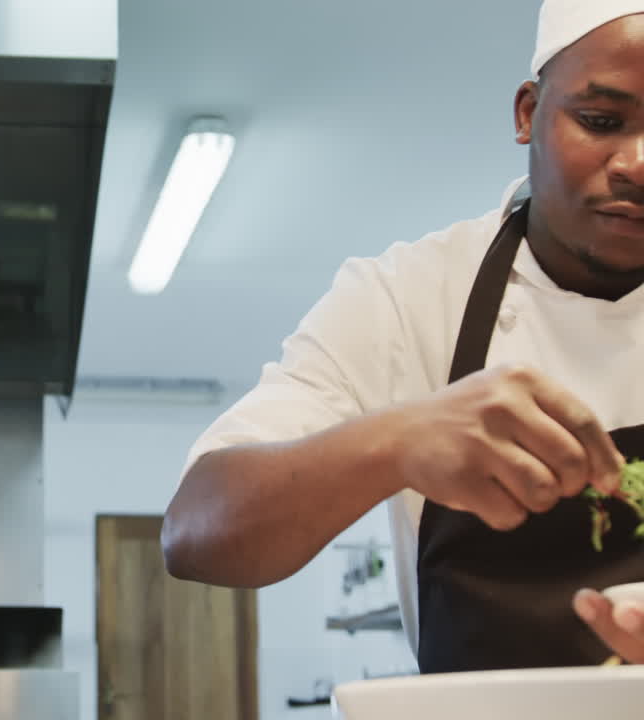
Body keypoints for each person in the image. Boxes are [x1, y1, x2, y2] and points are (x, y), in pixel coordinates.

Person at [163, 0, 644, 672]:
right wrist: (396, 441)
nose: (637, 163)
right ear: (528, 112)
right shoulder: (405, 297)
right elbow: (195, 535)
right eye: (600, 120)